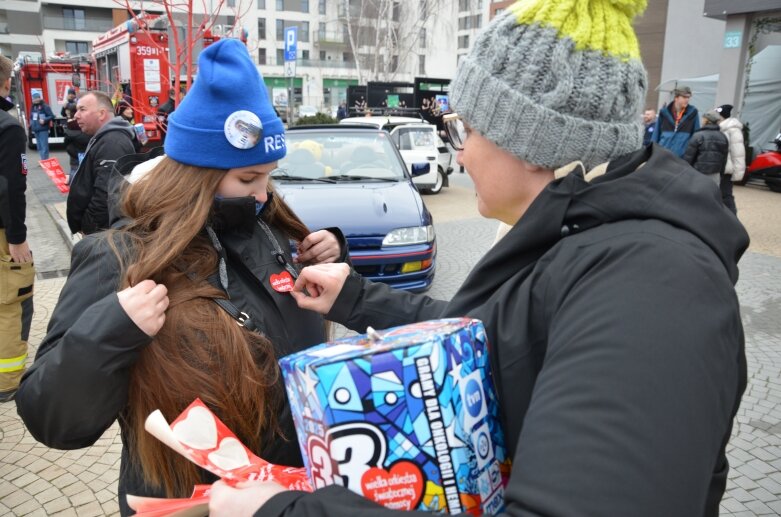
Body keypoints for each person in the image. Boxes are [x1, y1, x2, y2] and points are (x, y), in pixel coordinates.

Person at [208, 1, 749, 515]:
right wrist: (354, 297)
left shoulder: (650, 287)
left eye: (464, 129)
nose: (458, 151)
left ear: (531, 140)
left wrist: (286, 511)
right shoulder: (588, 241)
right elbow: (498, 334)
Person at [16, 38, 350, 517]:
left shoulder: (270, 228)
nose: (263, 195)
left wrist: (332, 254)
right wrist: (111, 330)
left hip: (286, 496)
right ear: (196, 173)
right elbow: (53, 419)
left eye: (269, 178)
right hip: (188, 504)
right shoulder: (118, 255)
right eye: (248, 179)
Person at [0, 54, 34, 403]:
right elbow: (10, 187)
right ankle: (8, 381)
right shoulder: (7, 127)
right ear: (7, 82)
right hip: (2, 233)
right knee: (12, 302)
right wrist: (17, 238)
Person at [66, 90, 136, 235]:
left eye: (82, 109)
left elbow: (106, 195)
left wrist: (89, 227)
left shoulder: (112, 142)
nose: (76, 115)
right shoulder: (105, 138)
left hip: (102, 234)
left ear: (102, 114)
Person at [682, 110, 729, 186]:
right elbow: (724, 160)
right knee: (711, 196)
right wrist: (721, 174)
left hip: (698, 173)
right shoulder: (723, 137)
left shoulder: (698, 135)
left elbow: (689, 158)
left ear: (706, 120)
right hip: (715, 174)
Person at [653, 85, 700, 157]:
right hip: (662, 156)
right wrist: (652, 152)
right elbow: (656, 134)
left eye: (688, 97)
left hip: (681, 159)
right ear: (676, 98)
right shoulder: (664, 112)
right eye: (684, 97)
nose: (687, 100)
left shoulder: (693, 113)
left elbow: (696, 136)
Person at [715, 104, 745, 214]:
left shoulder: (733, 130)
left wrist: (737, 173)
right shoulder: (721, 129)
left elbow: (738, 152)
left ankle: (733, 221)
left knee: (726, 196)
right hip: (720, 168)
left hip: (727, 169)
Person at [62, 101, 90, 176]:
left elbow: (67, 145)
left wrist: (75, 154)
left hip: (75, 160)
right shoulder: (88, 124)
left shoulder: (70, 126)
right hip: (84, 159)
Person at [29, 92, 54, 160]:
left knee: (44, 146)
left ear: (40, 98)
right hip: (36, 129)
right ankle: (42, 159)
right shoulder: (33, 106)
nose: (36, 100)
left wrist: (44, 120)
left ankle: (45, 160)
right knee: (39, 146)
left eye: (37, 98)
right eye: (34, 98)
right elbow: (31, 117)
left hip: (43, 129)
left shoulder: (45, 106)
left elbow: (52, 116)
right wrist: (31, 124)